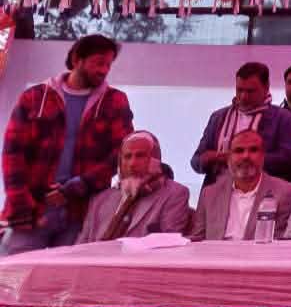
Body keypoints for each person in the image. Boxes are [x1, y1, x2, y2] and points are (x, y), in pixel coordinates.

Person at [1, 35, 134, 255]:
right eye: (99, 62)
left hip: (81, 211)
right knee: (14, 270)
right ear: (76, 59)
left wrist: (78, 186)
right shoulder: (34, 97)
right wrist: (21, 202)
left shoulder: (115, 101)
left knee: (68, 274)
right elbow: (12, 153)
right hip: (33, 208)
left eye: (108, 65)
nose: (104, 70)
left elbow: (120, 154)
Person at [192, 62, 291, 187]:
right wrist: (211, 158)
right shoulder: (218, 117)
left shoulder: (282, 118)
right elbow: (195, 161)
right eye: (240, 90)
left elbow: (287, 160)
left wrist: (239, 159)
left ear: (266, 87)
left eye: (250, 91)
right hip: (217, 189)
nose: (243, 96)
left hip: (263, 192)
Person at [77, 131, 190, 243]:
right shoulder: (99, 201)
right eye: (127, 157)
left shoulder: (175, 194)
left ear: (155, 160)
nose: (132, 164)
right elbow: (80, 246)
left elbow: (168, 244)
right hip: (95, 254)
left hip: (140, 255)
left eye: (140, 156)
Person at [190, 130, 291, 241]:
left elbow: (283, 242)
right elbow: (197, 239)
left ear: (263, 156)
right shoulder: (209, 194)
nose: (246, 156)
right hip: (216, 252)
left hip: (260, 252)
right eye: (239, 151)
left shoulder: (285, 192)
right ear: (228, 157)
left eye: (253, 150)